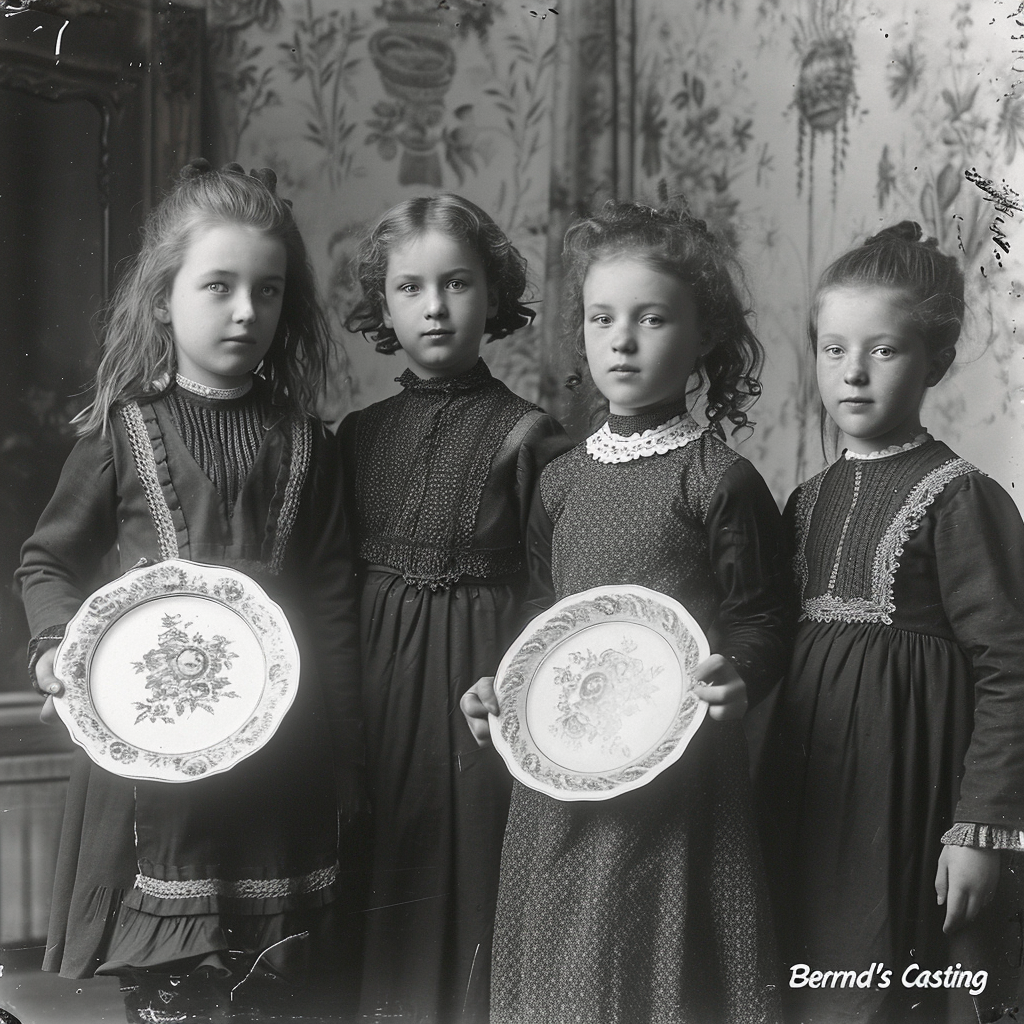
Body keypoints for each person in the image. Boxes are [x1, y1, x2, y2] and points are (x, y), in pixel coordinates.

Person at [18, 160, 363, 1022]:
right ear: (163, 297)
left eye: (270, 291)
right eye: (219, 286)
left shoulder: (310, 445)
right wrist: (59, 647)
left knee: (273, 986)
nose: (247, 311)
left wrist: (347, 749)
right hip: (158, 764)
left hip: (284, 760)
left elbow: (328, 601)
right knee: (175, 987)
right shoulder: (121, 433)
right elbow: (47, 562)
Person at [462, 199, 787, 1024]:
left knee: (651, 962)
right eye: (602, 318)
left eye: (652, 319)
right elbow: (545, 610)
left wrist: (735, 673)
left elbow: (760, 616)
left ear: (703, 335)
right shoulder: (562, 477)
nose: (623, 339)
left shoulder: (718, 480)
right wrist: (501, 690)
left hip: (674, 776)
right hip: (562, 775)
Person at [761, 221, 1024, 1023]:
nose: (853, 374)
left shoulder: (961, 497)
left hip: (910, 804)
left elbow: (1011, 671)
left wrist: (980, 830)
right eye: (834, 349)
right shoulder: (803, 500)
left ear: (934, 362)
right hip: (813, 800)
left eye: (884, 351)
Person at [340, 193, 567, 1024]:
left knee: (470, 874)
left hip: (478, 697)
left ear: (494, 297)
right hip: (375, 691)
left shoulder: (532, 436)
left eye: (458, 284)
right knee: (377, 872)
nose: (435, 308)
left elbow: (555, 592)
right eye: (410, 288)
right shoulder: (356, 437)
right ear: (384, 306)